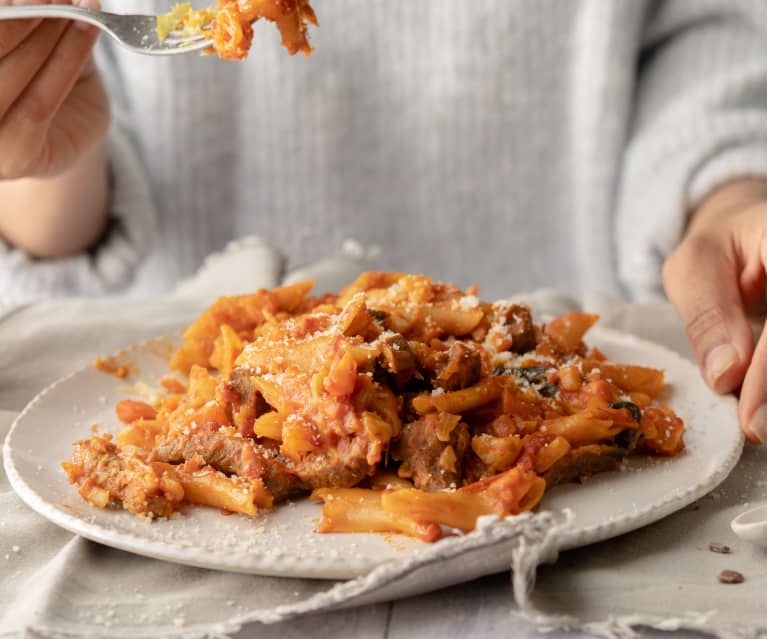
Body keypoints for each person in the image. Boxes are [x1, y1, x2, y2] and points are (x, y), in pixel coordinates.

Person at [1, 0, 766, 443]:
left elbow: (698, 28)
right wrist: (41, 127)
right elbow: (57, 200)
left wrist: (727, 205)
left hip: (561, 410)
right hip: (185, 402)